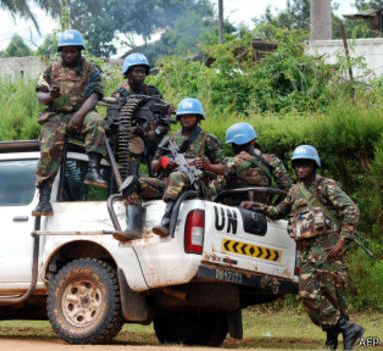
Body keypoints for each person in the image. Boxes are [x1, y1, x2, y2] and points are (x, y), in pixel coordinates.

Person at [241, 145, 365, 351]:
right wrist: (257, 206)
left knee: (334, 295)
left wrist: (343, 241)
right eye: (297, 165)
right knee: (308, 295)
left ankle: (335, 340)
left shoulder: (326, 186)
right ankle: (347, 328)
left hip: (329, 251)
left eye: (305, 165)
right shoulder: (294, 190)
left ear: (313, 165)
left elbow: (351, 210)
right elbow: (278, 210)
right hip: (307, 252)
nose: (301, 169)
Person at [31, 29, 108, 217]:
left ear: (80, 51)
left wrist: (79, 116)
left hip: (82, 112)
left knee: (97, 122)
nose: (68, 54)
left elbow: (95, 95)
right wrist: (51, 95)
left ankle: (93, 171)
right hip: (56, 115)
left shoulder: (90, 68)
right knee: (49, 147)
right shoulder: (52, 69)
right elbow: (40, 96)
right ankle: (44, 198)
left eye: (72, 51)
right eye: (65, 51)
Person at [150, 97, 223, 237]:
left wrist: (208, 166)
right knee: (136, 182)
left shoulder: (207, 139)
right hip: (169, 184)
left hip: (196, 184)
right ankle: (133, 228)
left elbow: (224, 168)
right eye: (183, 116)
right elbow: (154, 166)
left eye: (190, 116)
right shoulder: (171, 138)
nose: (186, 119)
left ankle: (165, 224)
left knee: (176, 176)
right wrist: (163, 162)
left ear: (198, 118)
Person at [217, 122, 292, 204]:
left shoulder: (230, 162)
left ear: (233, 145)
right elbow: (287, 188)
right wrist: (274, 208)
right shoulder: (272, 160)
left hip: (235, 212)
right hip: (263, 210)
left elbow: (216, 188)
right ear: (253, 141)